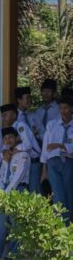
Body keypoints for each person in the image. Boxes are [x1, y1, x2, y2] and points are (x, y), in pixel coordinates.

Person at [0, 128, 30, 259]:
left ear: (17, 138)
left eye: (11, 137)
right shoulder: (5, 155)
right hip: (4, 192)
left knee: (15, 223)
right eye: (5, 138)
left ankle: (13, 254)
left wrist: (7, 193)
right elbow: (2, 177)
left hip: (18, 191)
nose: (8, 140)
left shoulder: (23, 155)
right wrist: (0, 192)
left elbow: (18, 177)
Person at [40, 95, 73, 223]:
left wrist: (61, 145)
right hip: (53, 162)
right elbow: (45, 147)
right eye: (60, 108)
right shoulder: (52, 124)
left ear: (71, 109)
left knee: (69, 194)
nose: (63, 111)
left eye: (65, 108)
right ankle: (61, 226)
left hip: (69, 162)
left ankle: (69, 226)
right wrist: (44, 170)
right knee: (57, 194)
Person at [16, 87, 44, 193]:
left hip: (34, 159)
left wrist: (37, 135)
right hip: (21, 160)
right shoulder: (15, 118)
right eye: (26, 98)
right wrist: (31, 134)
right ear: (19, 100)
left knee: (35, 190)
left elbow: (43, 134)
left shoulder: (34, 116)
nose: (29, 100)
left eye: (30, 98)